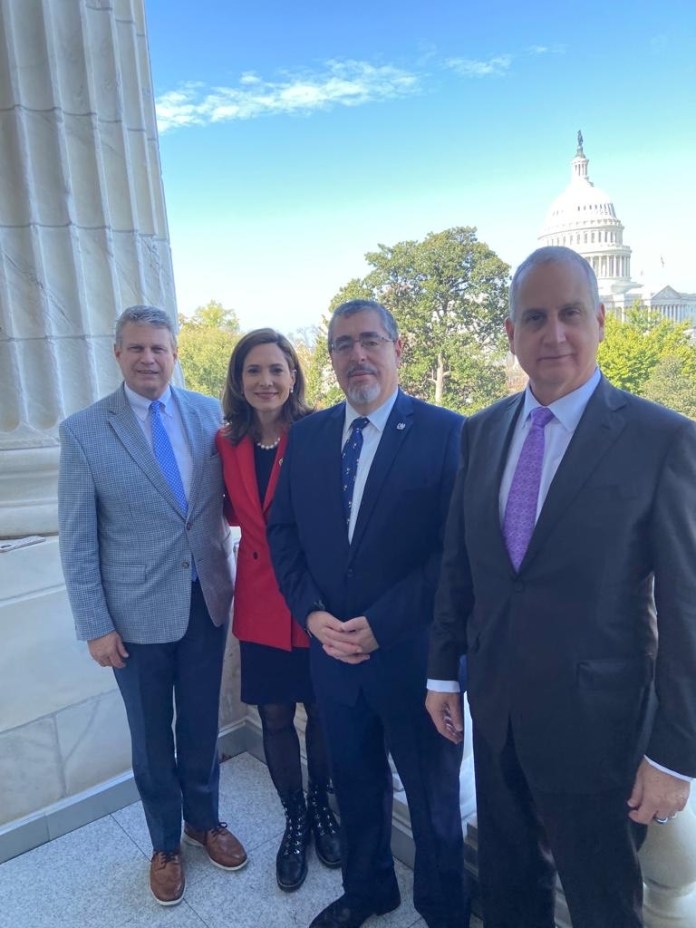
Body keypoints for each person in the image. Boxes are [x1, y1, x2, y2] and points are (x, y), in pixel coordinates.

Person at [426, 246, 696, 928]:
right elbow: (461, 566)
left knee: (603, 902)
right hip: (498, 717)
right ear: (510, 333)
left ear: (601, 320)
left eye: (571, 313)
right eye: (535, 317)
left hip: (599, 735)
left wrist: (675, 755)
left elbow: (689, 610)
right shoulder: (480, 433)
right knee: (510, 890)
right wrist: (440, 674)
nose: (555, 334)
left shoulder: (661, 440)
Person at [268, 300, 469, 928]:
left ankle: (443, 909)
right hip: (333, 656)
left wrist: (382, 623)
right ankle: (369, 890)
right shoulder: (306, 437)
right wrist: (311, 616)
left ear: (397, 348)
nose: (357, 355)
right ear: (329, 359)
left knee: (434, 800)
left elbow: (454, 552)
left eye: (370, 341)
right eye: (342, 344)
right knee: (354, 783)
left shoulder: (447, 432)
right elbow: (283, 532)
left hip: (417, 661)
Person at [58, 306, 247, 907]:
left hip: (206, 602)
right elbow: (77, 537)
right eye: (136, 348)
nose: (148, 359)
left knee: (199, 725)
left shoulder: (204, 413)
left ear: (174, 353)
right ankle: (165, 843)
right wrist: (95, 625)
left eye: (159, 349)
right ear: (117, 354)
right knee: (149, 737)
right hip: (133, 618)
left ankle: (205, 821)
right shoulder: (84, 431)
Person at [215, 328, 341, 892]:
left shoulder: (321, 433)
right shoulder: (224, 443)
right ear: (239, 383)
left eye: (276, 369)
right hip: (262, 598)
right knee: (272, 715)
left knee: (321, 711)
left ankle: (321, 808)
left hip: (316, 596)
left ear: (294, 376)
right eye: (253, 371)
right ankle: (294, 817)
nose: (266, 381)